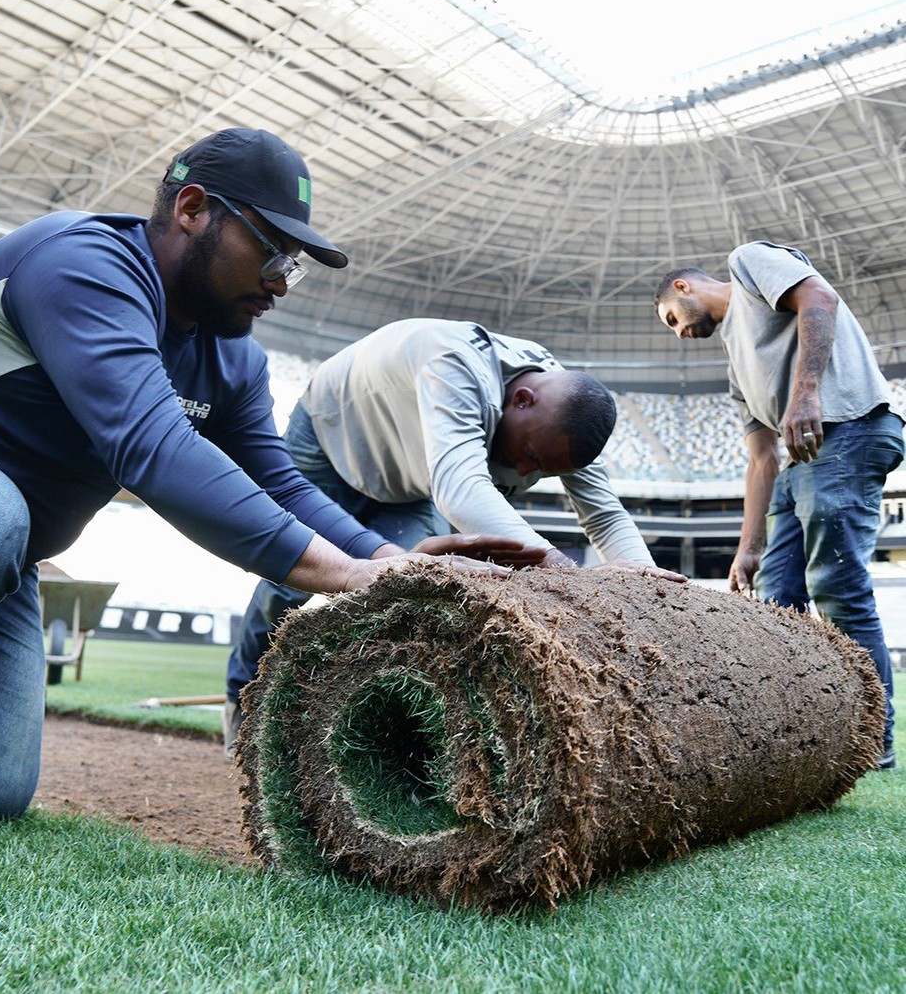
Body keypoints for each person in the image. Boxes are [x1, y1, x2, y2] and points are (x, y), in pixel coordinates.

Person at [0, 128, 514, 819]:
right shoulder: (82, 262)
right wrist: (349, 576)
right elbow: (154, 449)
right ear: (193, 208)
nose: (280, 284)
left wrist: (391, 559)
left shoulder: (235, 361)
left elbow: (281, 485)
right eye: (271, 250)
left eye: (294, 265)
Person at [226, 316, 685, 749]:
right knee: (288, 583)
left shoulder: (568, 417)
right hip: (330, 439)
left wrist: (642, 585)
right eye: (528, 453)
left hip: (409, 482)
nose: (524, 470)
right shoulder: (454, 362)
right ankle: (240, 698)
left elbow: (604, 515)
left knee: (402, 584)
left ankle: (370, 723)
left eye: (541, 470)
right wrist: (565, 573)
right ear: (522, 399)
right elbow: (460, 490)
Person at [654, 241, 904, 770]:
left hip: (849, 428)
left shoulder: (747, 263)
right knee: (776, 606)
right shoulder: (734, 362)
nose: (679, 332)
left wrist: (806, 391)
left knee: (837, 588)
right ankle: (802, 736)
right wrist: (749, 546)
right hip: (797, 463)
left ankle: (872, 743)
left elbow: (819, 296)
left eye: (673, 318)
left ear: (684, 287)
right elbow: (761, 458)